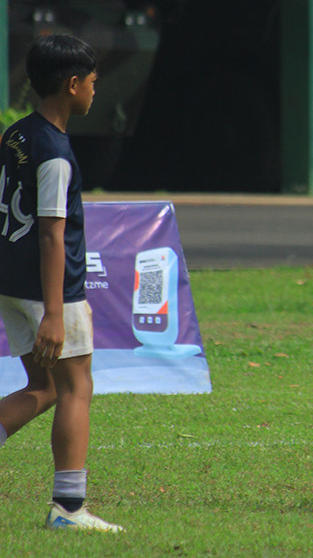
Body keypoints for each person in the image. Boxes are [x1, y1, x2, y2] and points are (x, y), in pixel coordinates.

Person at [0, 34, 122, 532]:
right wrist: (54, 313)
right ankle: (68, 509)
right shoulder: (55, 152)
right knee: (76, 387)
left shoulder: (17, 135)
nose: (96, 89)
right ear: (72, 85)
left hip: (11, 278)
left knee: (45, 386)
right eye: (93, 81)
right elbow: (52, 235)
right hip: (47, 288)